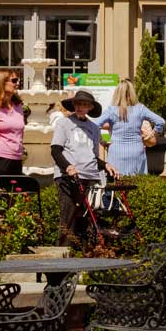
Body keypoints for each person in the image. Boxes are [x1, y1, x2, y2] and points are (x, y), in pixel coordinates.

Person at [51, 89, 119, 245]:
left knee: (89, 218)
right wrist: (67, 167)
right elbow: (55, 150)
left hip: (91, 177)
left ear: (90, 108)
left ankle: (88, 255)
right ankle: (62, 258)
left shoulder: (94, 128)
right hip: (69, 177)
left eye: (85, 104)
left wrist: (106, 165)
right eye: (78, 104)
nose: (81, 107)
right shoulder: (64, 123)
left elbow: (92, 157)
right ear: (74, 105)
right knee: (68, 219)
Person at [93, 79, 165, 175]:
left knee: (116, 184)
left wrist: (103, 140)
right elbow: (160, 121)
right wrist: (151, 134)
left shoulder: (111, 110)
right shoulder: (140, 109)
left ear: (117, 93)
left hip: (116, 151)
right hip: (136, 151)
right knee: (137, 184)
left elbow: (95, 125)